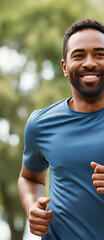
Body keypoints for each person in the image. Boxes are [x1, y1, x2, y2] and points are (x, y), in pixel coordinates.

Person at [18, 18, 104, 239]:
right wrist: (33, 206)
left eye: (99, 54)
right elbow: (30, 178)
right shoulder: (40, 123)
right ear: (65, 67)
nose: (89, 63)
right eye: (78, 55)